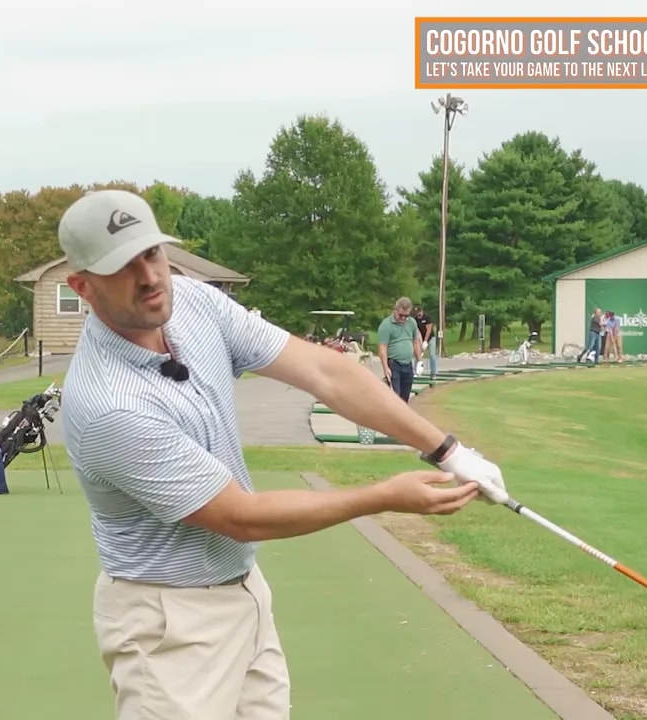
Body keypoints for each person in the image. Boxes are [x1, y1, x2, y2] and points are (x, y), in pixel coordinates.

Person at [55, 189, 510, 720]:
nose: (150, 277)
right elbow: (240, 517)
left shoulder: (195, 303)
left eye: (152, 253)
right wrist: (384, 496)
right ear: (82, 287)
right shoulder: (109, 404)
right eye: (123, 267)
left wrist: (447, 450)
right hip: (167, 622)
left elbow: (326, 371)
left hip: (244, 592)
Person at [377, 297, 422, 403]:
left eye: (406, 316)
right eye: (401, 315)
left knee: (405, 397)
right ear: (395, 310)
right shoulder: (386, 325)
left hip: (408, 364)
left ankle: (401, 418)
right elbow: (383, 347)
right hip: (394, 364)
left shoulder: (411, 323)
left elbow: (415, 341)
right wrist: (385, 368)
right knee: (395, 397)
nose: (403, 318)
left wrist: (419, 360)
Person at [413, 305, 437, 378]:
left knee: (432, 355)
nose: (418, 314)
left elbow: (429, 330)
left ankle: (433, 373)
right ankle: (416, 372)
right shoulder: (415, 319)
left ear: (422, 311)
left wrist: (425, 341)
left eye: (419, 312)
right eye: (416, 313)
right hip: (420, 338)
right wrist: (420, 342)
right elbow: (417, 332)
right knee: (418, 355)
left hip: (430, 338)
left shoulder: (427, 318)